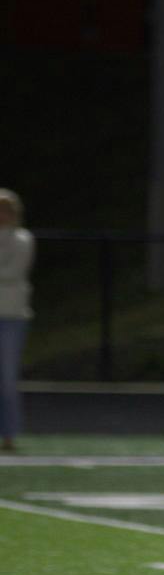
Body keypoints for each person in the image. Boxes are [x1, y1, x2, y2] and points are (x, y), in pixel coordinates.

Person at [0, 189, 32, 453]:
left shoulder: (23, 239)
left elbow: (12, 272)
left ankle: (9, 434)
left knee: (8, 379)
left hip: (12, 316)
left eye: (5, 209)